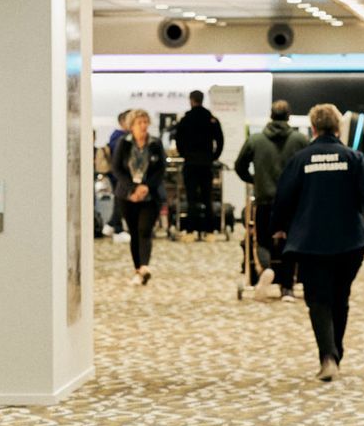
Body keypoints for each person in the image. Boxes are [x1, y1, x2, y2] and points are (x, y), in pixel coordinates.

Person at [271, 104, 364, 382]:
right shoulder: (353, 157)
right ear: (338, 128)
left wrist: (277, 228)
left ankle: (328, 356)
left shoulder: (301, 159)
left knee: (318, 300)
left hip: (310, 242)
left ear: (313, 128)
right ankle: (336, 351)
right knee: (340, 297)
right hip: (349, 243)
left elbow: (284, 198)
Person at [234, 101, 306, 300]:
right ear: (288, 116)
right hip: (292, 202)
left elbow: (239, 165)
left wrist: (254, 179)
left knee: (263, 240)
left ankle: (266, 270)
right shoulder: (300, 140)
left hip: (265, 199)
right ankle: (288, 288)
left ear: (270, 115)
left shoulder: (255, 140)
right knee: (290, 242)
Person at [110, 108, 166, 285]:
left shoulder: (155, 144)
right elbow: (117, 168)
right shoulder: (123, 143)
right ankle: (138, 269)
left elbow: (160, 170)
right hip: (127, 195)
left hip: (150, 196)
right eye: (139, 123)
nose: (142, 126)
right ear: (131, 126)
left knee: (145, 230)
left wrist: (146, 187)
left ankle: (144, 266)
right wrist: (133, 188)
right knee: (134, 232)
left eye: (145, 122)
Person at [172, 91, 224, 240]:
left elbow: (178, 140)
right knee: (207, 197)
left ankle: (191, 230)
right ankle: (209, 231)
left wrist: (184, 155)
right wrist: (214, 156)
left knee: (191, 198)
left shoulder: (186, 119)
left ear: (191, 100)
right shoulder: (211, 119)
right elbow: (220, 140)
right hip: (206, 163)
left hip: (190, 163)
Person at [104, 109, 133, 238]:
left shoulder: (123, 136)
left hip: (122, 174)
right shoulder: (119, 137)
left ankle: (111, 225)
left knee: (120, 199)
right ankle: (117, 229)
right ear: (122, 121)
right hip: (119, 175)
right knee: (120, 200)